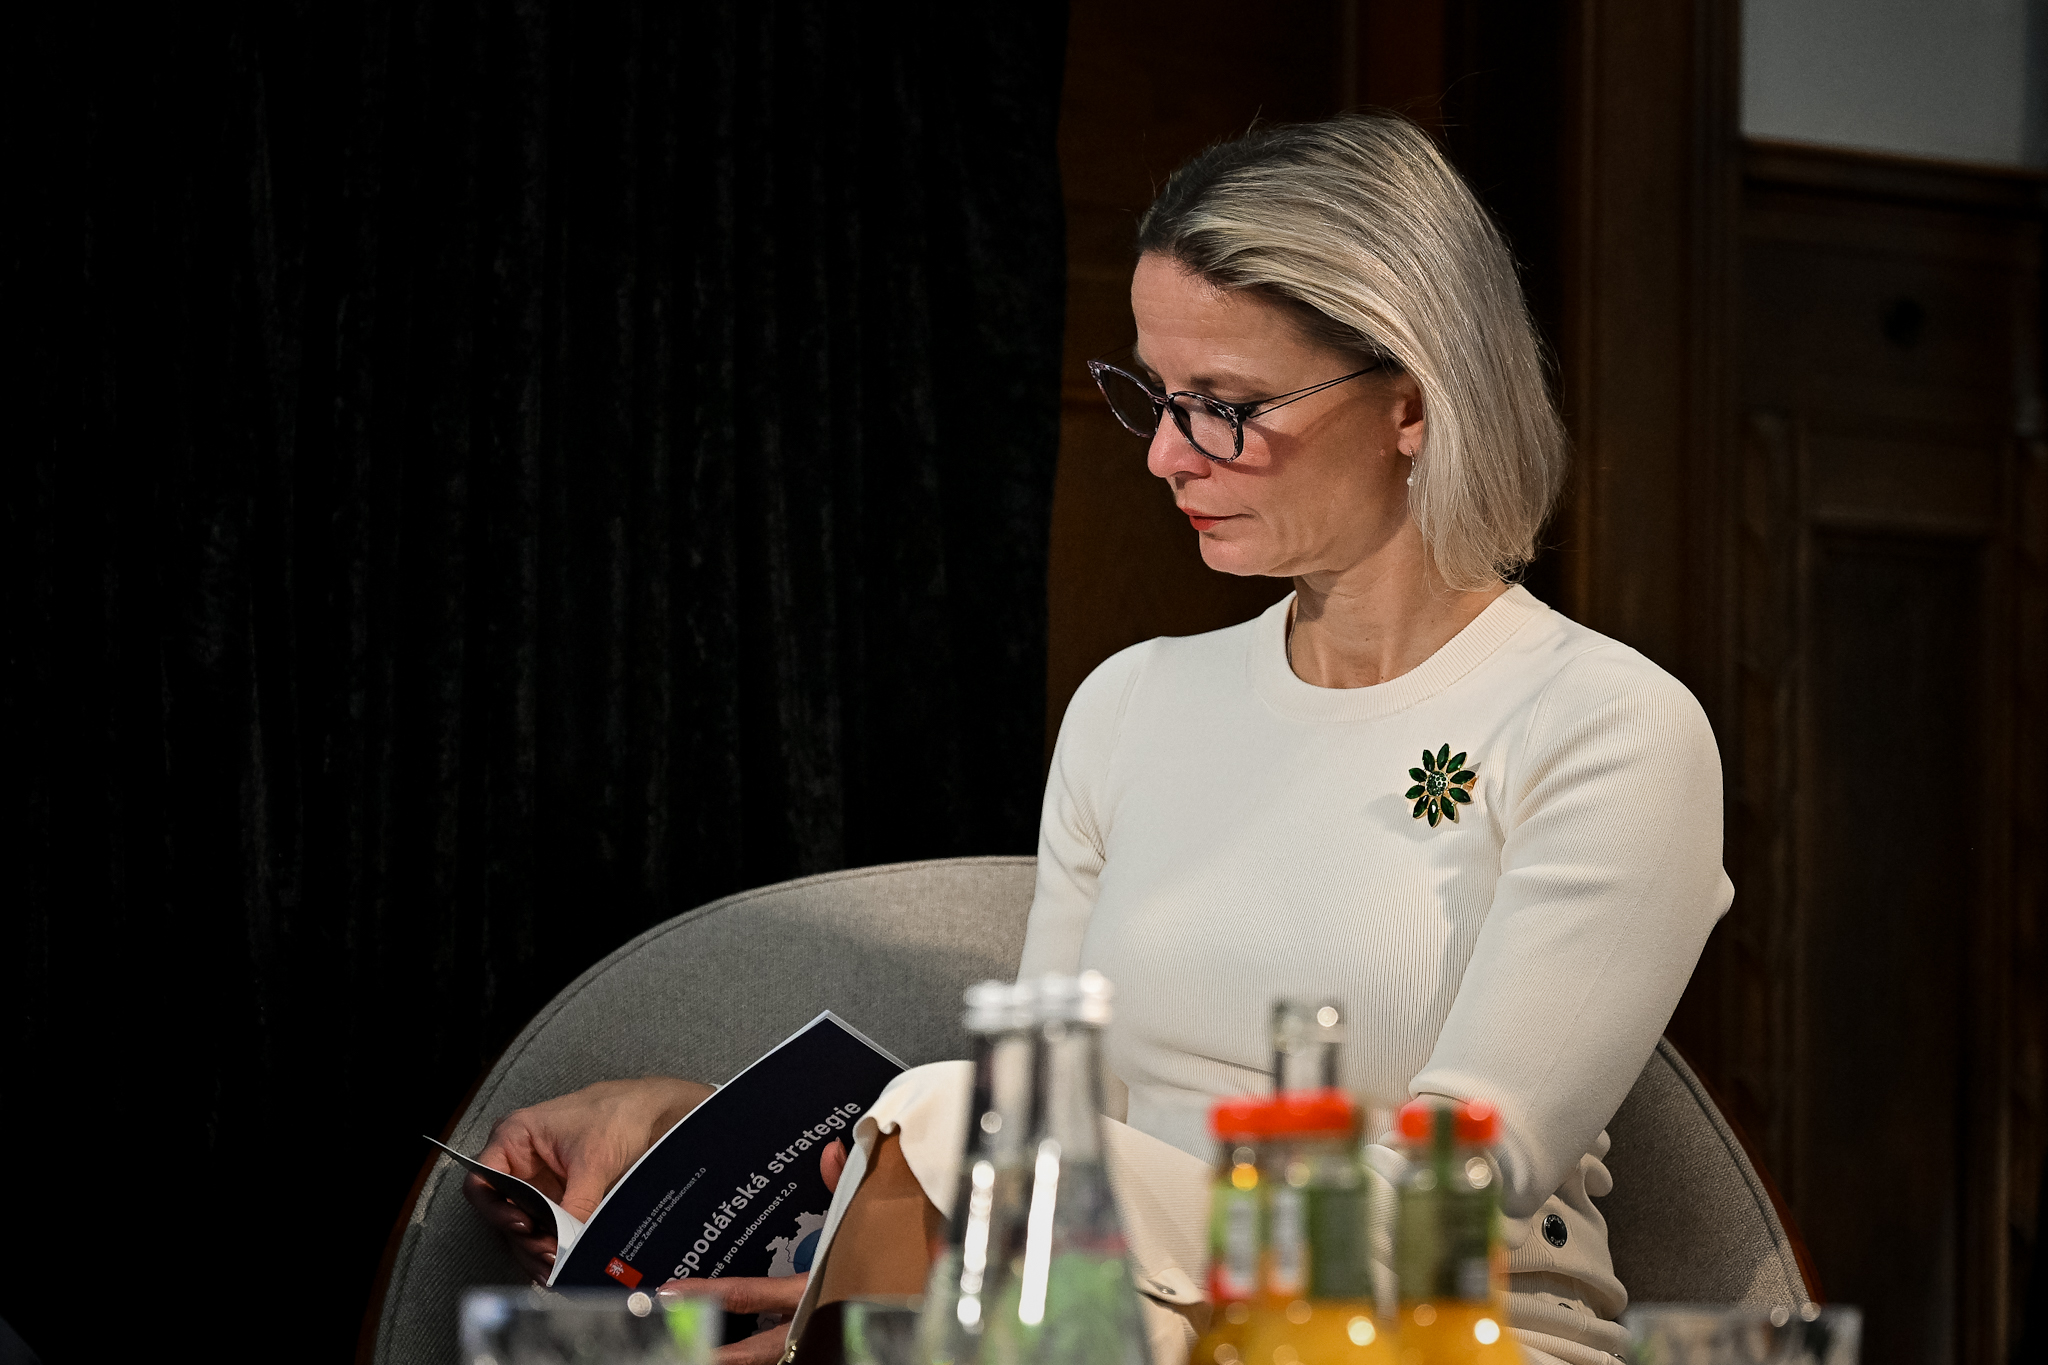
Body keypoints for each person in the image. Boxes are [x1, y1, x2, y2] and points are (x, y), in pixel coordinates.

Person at [464, 112, 1730, 1365]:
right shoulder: (1133, 703)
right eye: (1154, 398)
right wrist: (708, 1138)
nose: (1166, 456)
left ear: (1408, 401)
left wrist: (946, 1173)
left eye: (1222, 405)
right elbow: (1043, 1126)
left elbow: (1446, 1200)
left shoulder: (1604, 726)